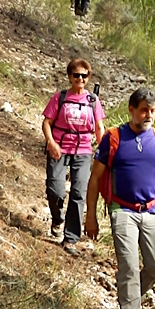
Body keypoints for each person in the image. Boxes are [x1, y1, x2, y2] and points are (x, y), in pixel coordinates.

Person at [84, 87, 155, 309]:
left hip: (153, 211)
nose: (148, 115)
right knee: (129, 266)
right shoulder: (113, 138)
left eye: (152, 111)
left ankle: (129, 297)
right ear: (131, 110)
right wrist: (90, 217)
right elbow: (95, 178)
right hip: (123, 211)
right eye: (143, 110)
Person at [41, 59, 104, 252]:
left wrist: (105, 152)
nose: (80, 79)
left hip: (83, 150)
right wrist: (51, 142)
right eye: (76, 75)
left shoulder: (93, 101)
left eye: (84, 76)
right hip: (59, 148)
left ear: (88, 78)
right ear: (69, 76)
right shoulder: (60, 97)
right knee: (55, 189)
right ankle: (57, 218)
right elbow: (47, 122)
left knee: (79, 194)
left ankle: (71, 238)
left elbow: (100, 128)